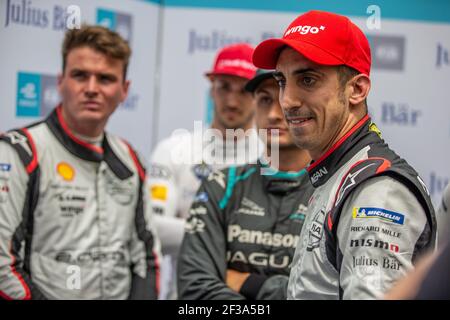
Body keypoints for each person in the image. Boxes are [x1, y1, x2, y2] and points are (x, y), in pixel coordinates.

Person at [252, 10, 436, 299]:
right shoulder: (341, 173)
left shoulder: (378, 193)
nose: (286, 101)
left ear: (357, 89)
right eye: (282, 81)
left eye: (308, 80)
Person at [0, 25, 161, 300]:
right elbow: (3, 267)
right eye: (80, 75)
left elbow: (146, 256)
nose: (91, 89)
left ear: (124, 90)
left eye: (105, 79)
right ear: (61, 82)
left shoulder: (129, 158)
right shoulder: (20, 152)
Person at [177, 69, 313, 300]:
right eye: (265, 100)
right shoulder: (220, 185)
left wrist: (247, 282)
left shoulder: (337, 192)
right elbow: (195, 289)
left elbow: (332, 292)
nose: (273, 114)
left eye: (283, 101)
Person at [148, 43, 264, 299]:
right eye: (224, 87)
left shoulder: (271, 157)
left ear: (258, 94)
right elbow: (153, 228)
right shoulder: (173, 149)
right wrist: (235, 233)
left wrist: (197, 231)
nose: (232, 101)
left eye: (244, 89)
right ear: (212, 89)